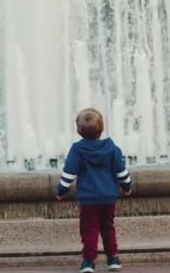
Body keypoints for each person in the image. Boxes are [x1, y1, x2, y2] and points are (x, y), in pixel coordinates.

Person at [56, 108, 132, 273]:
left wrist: (61, 191)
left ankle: (89, 262)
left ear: (78, 130)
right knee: (108, 227)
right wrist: (127, 187)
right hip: (108, 198)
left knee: (89, 230)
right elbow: (122, 172)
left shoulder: (77, 149)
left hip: (89, 199)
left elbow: (69, 174)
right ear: (102, 128)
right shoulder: (112, 148)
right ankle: (113, 258)